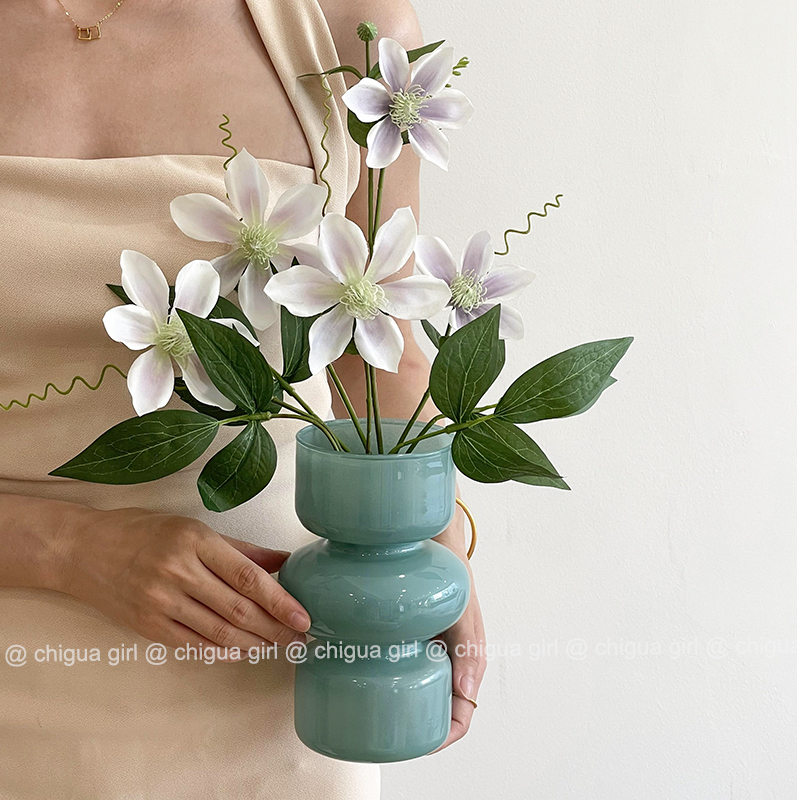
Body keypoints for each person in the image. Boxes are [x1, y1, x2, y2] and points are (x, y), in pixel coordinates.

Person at [0, 0, 486, 796]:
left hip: (279, 676)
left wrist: (436, 543)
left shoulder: (347, 24)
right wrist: (66, 548)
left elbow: (375, 348)